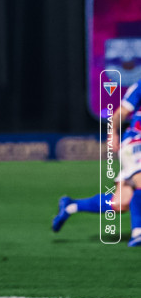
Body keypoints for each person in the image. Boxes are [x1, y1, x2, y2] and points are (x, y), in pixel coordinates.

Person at [52, 82, 141, 247]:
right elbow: (122, 112)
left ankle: (72, 205)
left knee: (120, 203)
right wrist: (113, 132)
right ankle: (138, 233)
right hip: (136, 142)